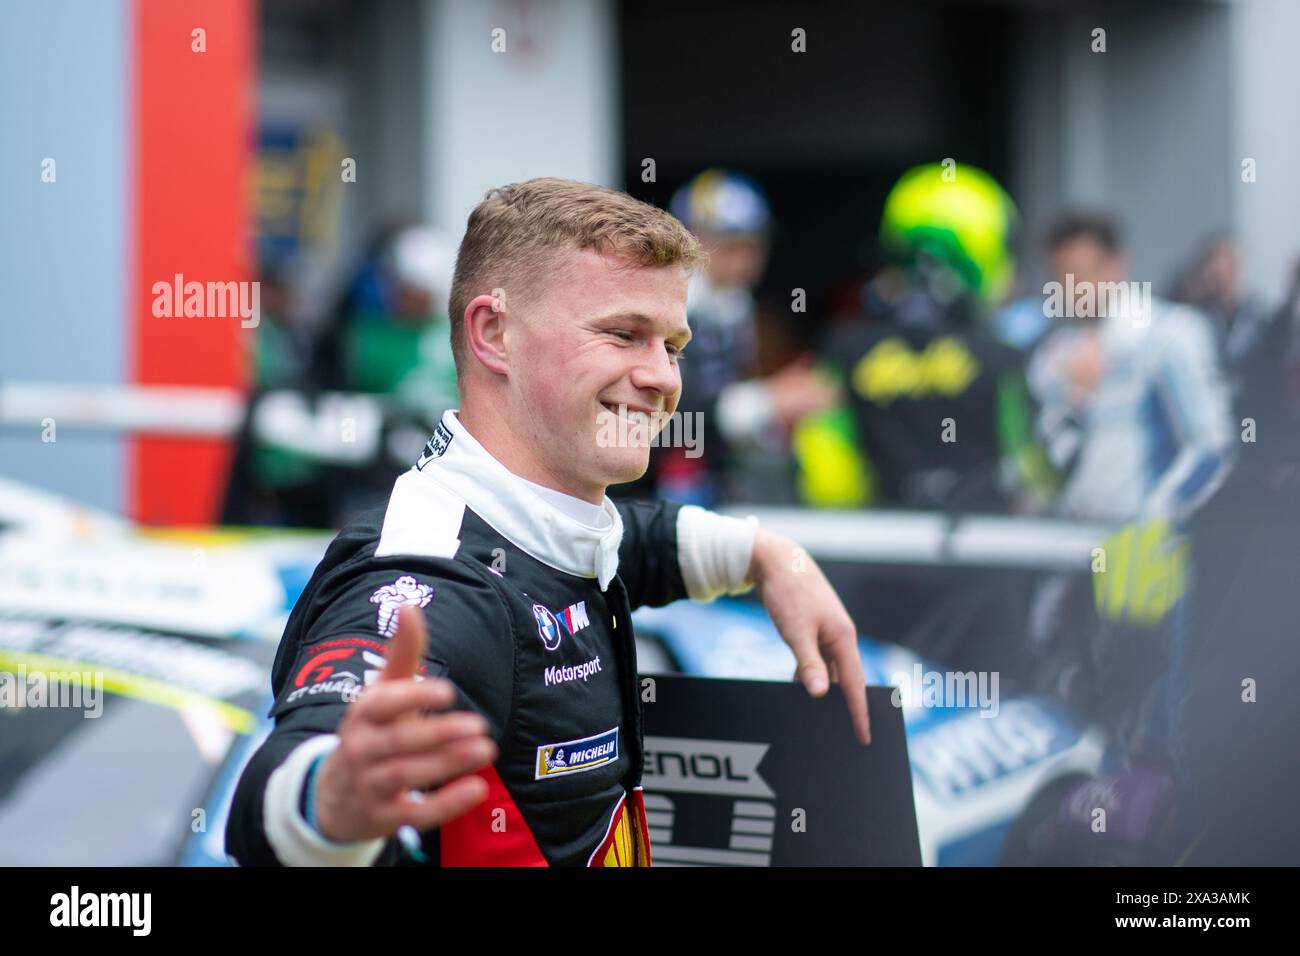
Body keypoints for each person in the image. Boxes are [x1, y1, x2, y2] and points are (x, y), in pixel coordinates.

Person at [225, 177, 870, 867]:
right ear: (494, 334)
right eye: (623, 334)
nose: (662, 378)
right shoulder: (434, 578)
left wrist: (767, 554)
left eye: (672, 345)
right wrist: (326, 802)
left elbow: (632, 541)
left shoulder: (552, 519)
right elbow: (275, 799)